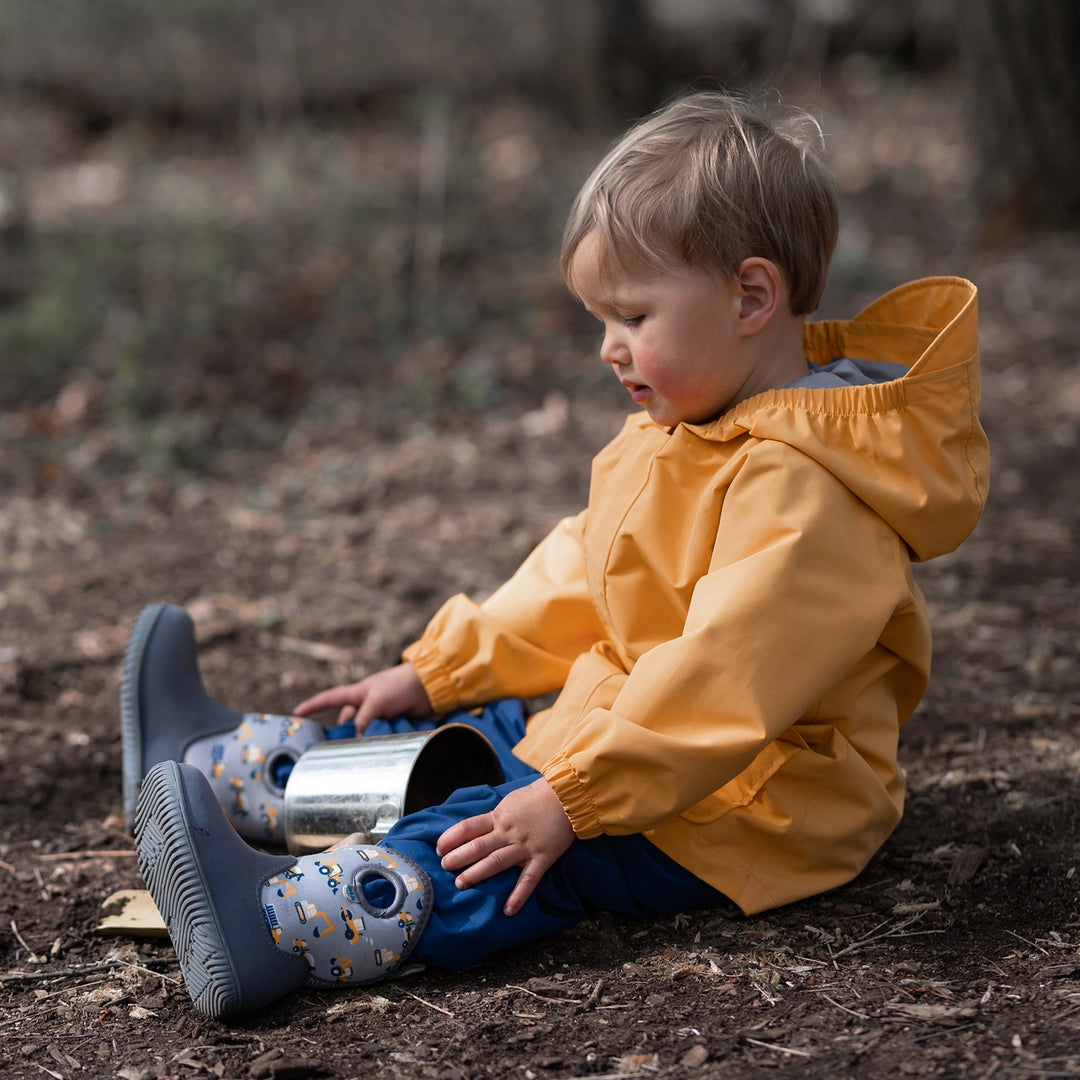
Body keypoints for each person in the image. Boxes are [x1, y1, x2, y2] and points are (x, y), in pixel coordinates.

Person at [124, 90, 990, 1019]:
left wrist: (574, 797)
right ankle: (239, 771)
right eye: (599, 321)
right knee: (484, 736)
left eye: (631, 316)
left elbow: (722, 679)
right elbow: (587, 573)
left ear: (750, 296)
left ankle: (282, 928)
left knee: (508, 840)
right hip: (639, 739)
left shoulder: (812, 493)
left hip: (747, 803)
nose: (610, 350)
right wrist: (439, 671)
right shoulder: (691, 427)